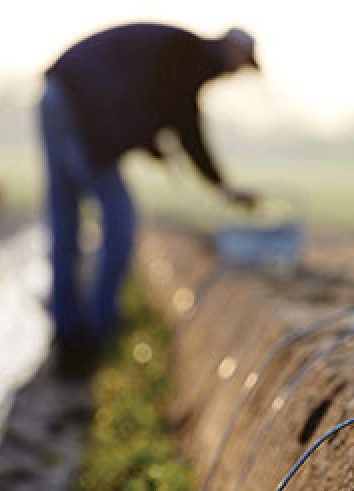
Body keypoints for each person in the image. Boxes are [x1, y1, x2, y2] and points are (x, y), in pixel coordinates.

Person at [39, 23, 259, 372]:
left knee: (65, 216)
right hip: (80, 107)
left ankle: (66, 327)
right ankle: (99, 327)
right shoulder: (192, 56)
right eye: (240, 63)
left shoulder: (182, 53)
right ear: (232, 48)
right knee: (119, 214)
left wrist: (149, 140)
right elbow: (184, 122)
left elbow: (151, 101)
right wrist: (220, 184)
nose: (234, 73)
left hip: (58, 94)